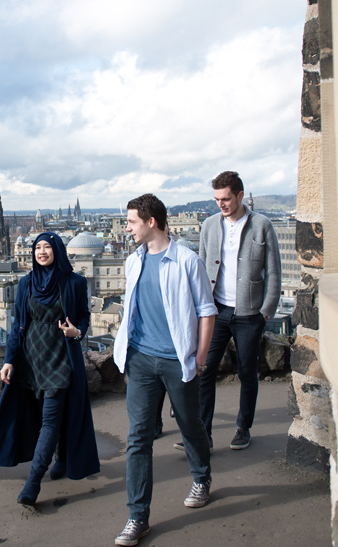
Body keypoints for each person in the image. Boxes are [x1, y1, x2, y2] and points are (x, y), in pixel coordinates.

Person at [113, 194, 217, 546]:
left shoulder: (187, 260)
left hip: (177, 360)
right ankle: (136, 516)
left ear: (150, 221)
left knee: (189, 424)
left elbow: (206, 311)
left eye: (131, 222)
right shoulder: (132, 261)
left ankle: (202, 477)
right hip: (141, 360)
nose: (126, 228)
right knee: (138, 438)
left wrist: (199, 358)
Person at [0, 232, 100, 506]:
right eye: (37, 247)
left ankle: (33, 482)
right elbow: (18, 325)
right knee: (42, 414)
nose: (42, 251)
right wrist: (9, 359)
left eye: (47, 246)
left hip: (61, 357)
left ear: (58, 251)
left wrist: (78, 331)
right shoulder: (26, 283)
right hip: (31, 358)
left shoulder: (74, 282)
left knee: (50, 419)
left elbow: (84, 316)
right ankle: (60, 456)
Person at [181, 171, 281, 451]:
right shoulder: (210, 225)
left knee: (247, 373)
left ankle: (243, 428)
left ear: (239, 195)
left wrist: (266, 312)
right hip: (217, 310)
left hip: (250, 314)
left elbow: (274, 271)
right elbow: (200, 266)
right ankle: (203, 433)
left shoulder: (262, 225)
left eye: (225, 199)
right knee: (205, 370)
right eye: (216, 199)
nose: (221, 204)